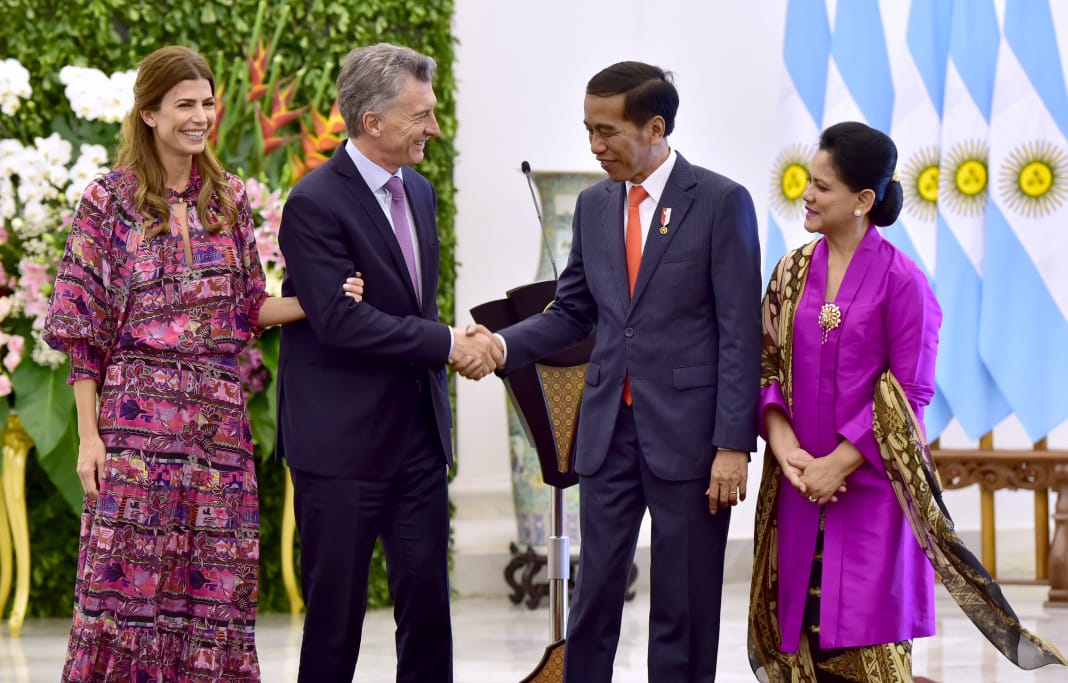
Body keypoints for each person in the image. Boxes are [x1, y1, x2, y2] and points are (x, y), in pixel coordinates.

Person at [42, 45, 360, 682]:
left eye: (207, 102)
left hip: (217, 427)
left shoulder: (230, 199)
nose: (200, 116)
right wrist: (87, 437)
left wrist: (318, 300)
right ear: (150, 114)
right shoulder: (106, 201)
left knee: (213, 594)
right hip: (135, 424)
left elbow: (247, 308)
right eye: (184, 104)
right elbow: (82, 330)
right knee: (124, 591)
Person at [748, 121, 1067, 681]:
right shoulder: (790, 272)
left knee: (870, 654)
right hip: (796, 487)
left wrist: (836, 466)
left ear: (863, 200)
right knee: (798, 643)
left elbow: (909, 394)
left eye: (822, 186)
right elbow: (767, 364)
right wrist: (788, 449)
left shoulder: (904, 281)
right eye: (809, 180)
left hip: (870, 495)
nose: (807, 194)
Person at [485, 61, 762, 681]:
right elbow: (574, 310)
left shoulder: (721, 202)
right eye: (587, 129)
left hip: (692, 437)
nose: (595, 145)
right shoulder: (593, 205)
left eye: (608, 131)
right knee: (594, 597)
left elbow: (740, 336)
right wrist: (502, 347)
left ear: (656, 127)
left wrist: (732, 445)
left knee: (683, 603)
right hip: (608, 430)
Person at [274, 42, 499, 682]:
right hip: (340, 450)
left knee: (429, 618)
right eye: (420, 115)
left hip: (417, 446)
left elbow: (403, 304)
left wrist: (454, 339)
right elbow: (339, 321)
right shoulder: (314, 202)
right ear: (372, 122)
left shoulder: (421, 192)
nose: (433, 126)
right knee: (334, 624)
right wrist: (444, 343)